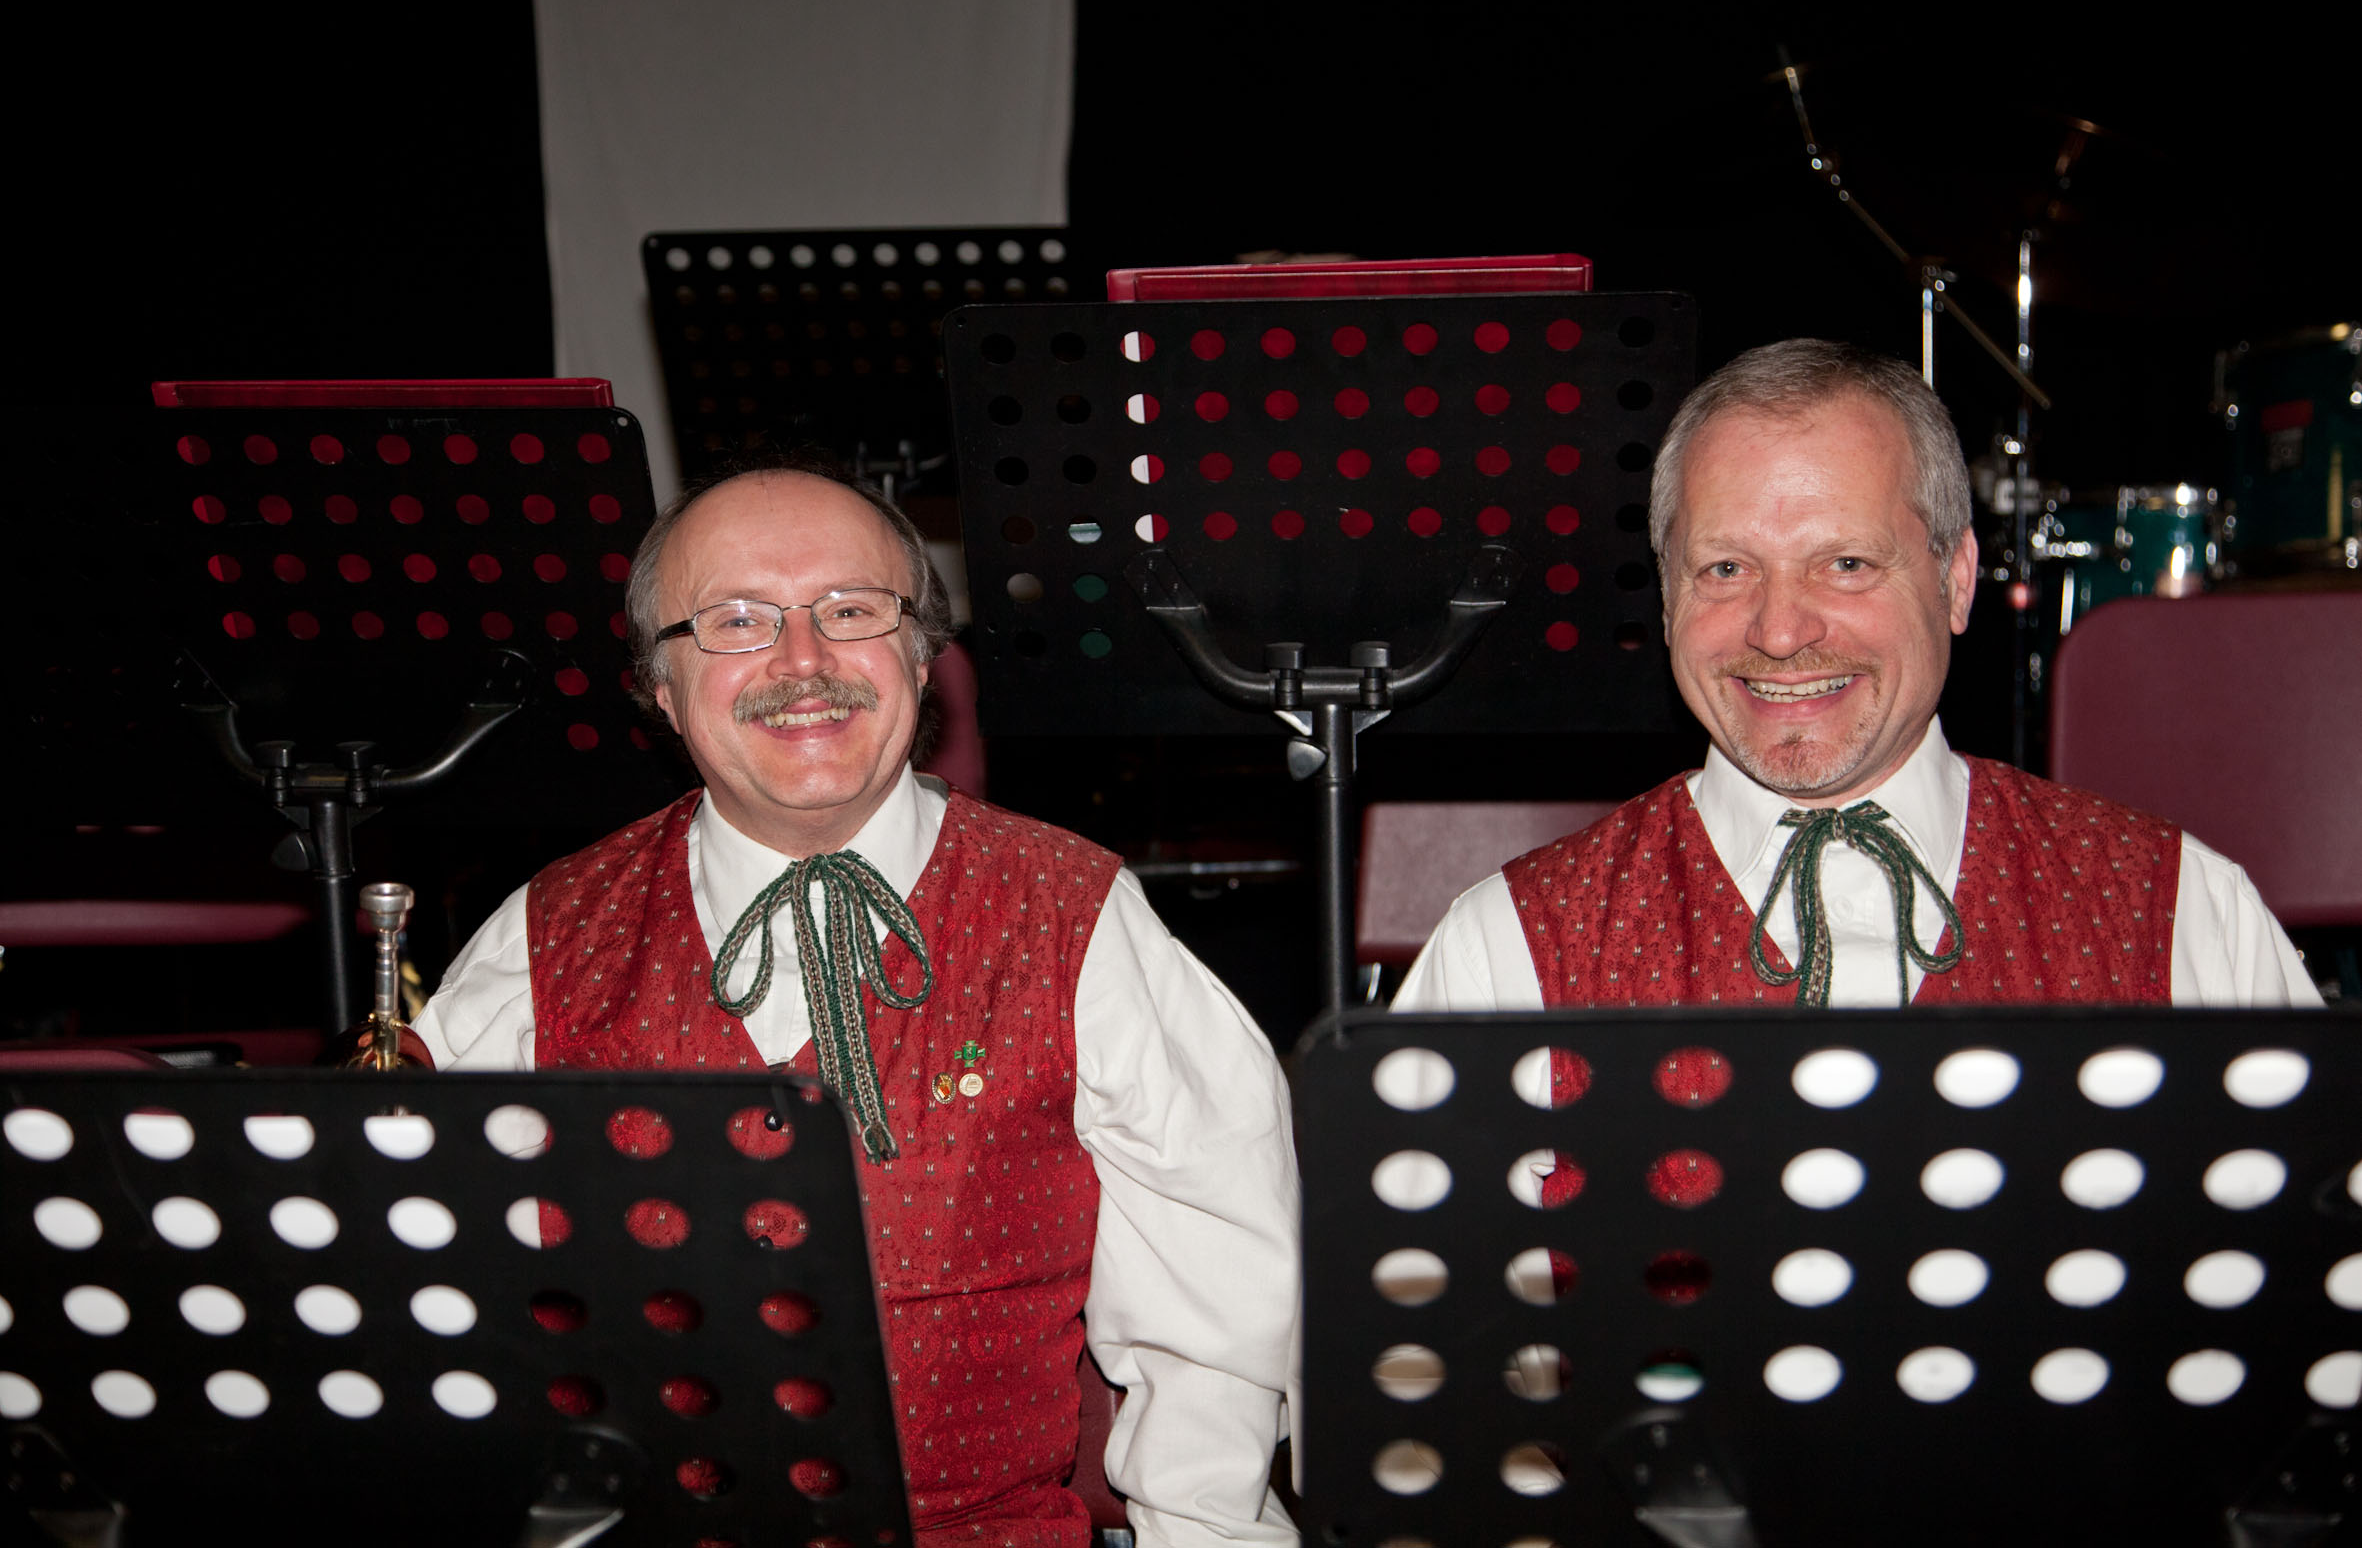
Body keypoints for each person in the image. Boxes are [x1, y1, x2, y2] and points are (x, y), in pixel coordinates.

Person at [414, 454, 1300, 1547]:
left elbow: (1215, 1324)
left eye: (850, 610)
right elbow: (428, 1300)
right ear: (660, 687)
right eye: (738, 621)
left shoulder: (1078, 915)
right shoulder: (550, 932)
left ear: (922, 657)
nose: (803, 660)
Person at [1398, 339, 2319, 1010]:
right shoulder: (1504, 952)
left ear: (1957, 579)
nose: (1780, 630)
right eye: (1726, 567)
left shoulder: (2186, 916)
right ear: (1668, 599)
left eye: (1845, 563)